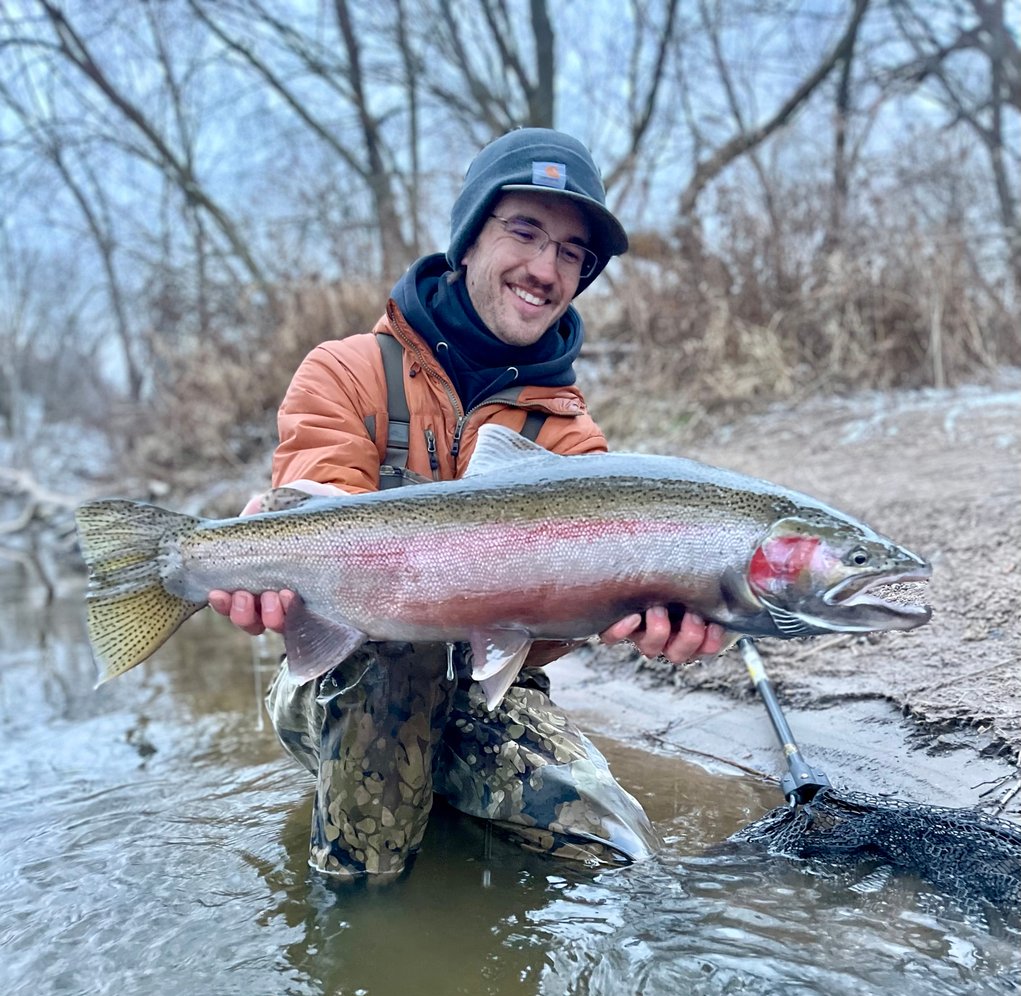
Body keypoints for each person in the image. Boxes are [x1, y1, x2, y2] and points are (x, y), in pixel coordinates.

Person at [209, 128, 724, 880]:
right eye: (525, 231)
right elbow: (314, 526)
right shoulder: (347, 372)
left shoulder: (573, 441)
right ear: (470, 236)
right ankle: (360, 895)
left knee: (613, 850)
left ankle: (442, 796)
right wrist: (270, 566)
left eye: (572, 254)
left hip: (490, 690)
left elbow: (539, 644)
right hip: (349, 673)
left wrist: (621, 614)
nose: (545, 269)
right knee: (379, 761)